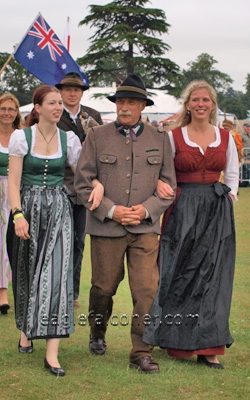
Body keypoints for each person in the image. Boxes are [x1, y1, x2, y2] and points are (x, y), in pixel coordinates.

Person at [74, 74, 176, 373]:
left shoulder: (160, 138)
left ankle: (141, 352)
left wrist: (146, 210)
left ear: (143, 105)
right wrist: (113, 210)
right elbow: (82, 184)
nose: (125, 107)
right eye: (120, 101)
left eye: (131, 102)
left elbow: (169, 185)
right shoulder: (97, 136)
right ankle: (97, 330)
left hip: (145, 230)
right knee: (104, 287)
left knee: (146, 289)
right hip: (107, 228)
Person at [7, 85, 103, 377]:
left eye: (60, 103)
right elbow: (13, 182)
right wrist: (17, 215)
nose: (58, 107)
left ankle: (52, 354)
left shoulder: (70, 138)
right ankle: (26, 330)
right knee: (27, 272)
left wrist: (97, 183)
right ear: (37, 107)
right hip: (29, 207)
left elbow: (83, 171)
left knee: (57, 276)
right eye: (52, 102)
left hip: (59, 209)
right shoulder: (21, 137)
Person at [143, 80, 239, 370]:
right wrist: (165, 190)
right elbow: (162, 172)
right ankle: (177, 341)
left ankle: (210, 346)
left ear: (212, 104)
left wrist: (228, 198)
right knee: (178, 272)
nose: (200, 104)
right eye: (195, 100)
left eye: (206, 100)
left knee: (213, 276)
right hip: (181, 208)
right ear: (187, 104)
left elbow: (232, 173)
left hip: (216, 209)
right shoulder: (174, 137)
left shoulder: (225, 137)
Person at [56, 72, 103, 309]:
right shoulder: (53, 113)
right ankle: (58, 289)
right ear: (61, 92)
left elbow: (104, 151)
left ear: (82, 92)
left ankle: (72, 292)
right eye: (67, 89)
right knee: (58, 241)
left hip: (86, 190)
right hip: (60, 186)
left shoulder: (93, 116)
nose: (72, 93)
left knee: (78, 242)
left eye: (76, 89)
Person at [0, 93, 22, 314]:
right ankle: (2, 292)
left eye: (10, 109)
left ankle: (9, 288)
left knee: (11, 241)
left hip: (15, 192)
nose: (6, 113)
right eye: (3, 108)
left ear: (16, 113)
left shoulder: (21, 136)